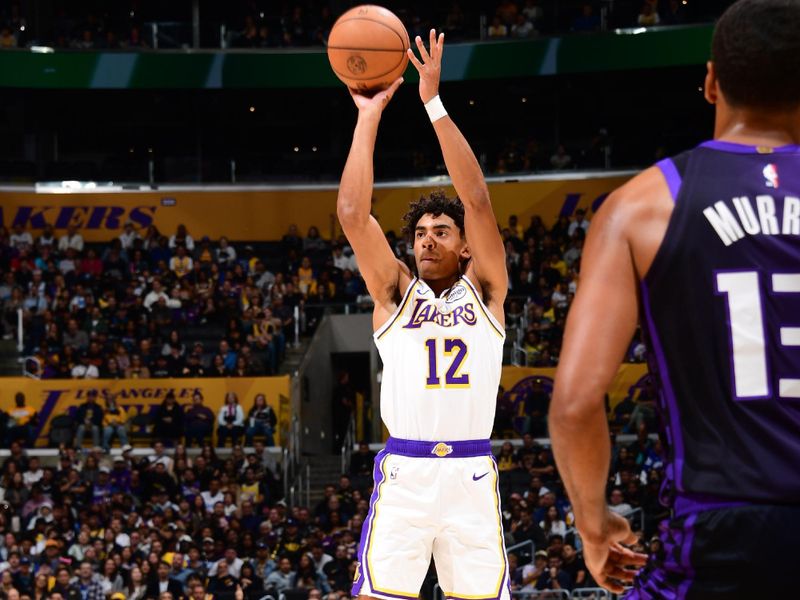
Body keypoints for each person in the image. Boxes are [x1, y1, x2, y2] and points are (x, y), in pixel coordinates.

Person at [549, 1, 800, 596]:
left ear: (711, 82)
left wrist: (593, 525)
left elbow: (575, 404)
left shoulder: (641, 205)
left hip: (720, 529)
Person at [338, 29, 510, 600]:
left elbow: (478, 200)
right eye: (419, 233)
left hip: (471, 472)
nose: (427, 240)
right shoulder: (394, 293)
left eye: (441, 231)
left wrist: (432, 103)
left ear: (465, 246)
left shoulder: (485, 291)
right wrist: (368, 115)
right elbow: (352, 214)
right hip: (406, 472)